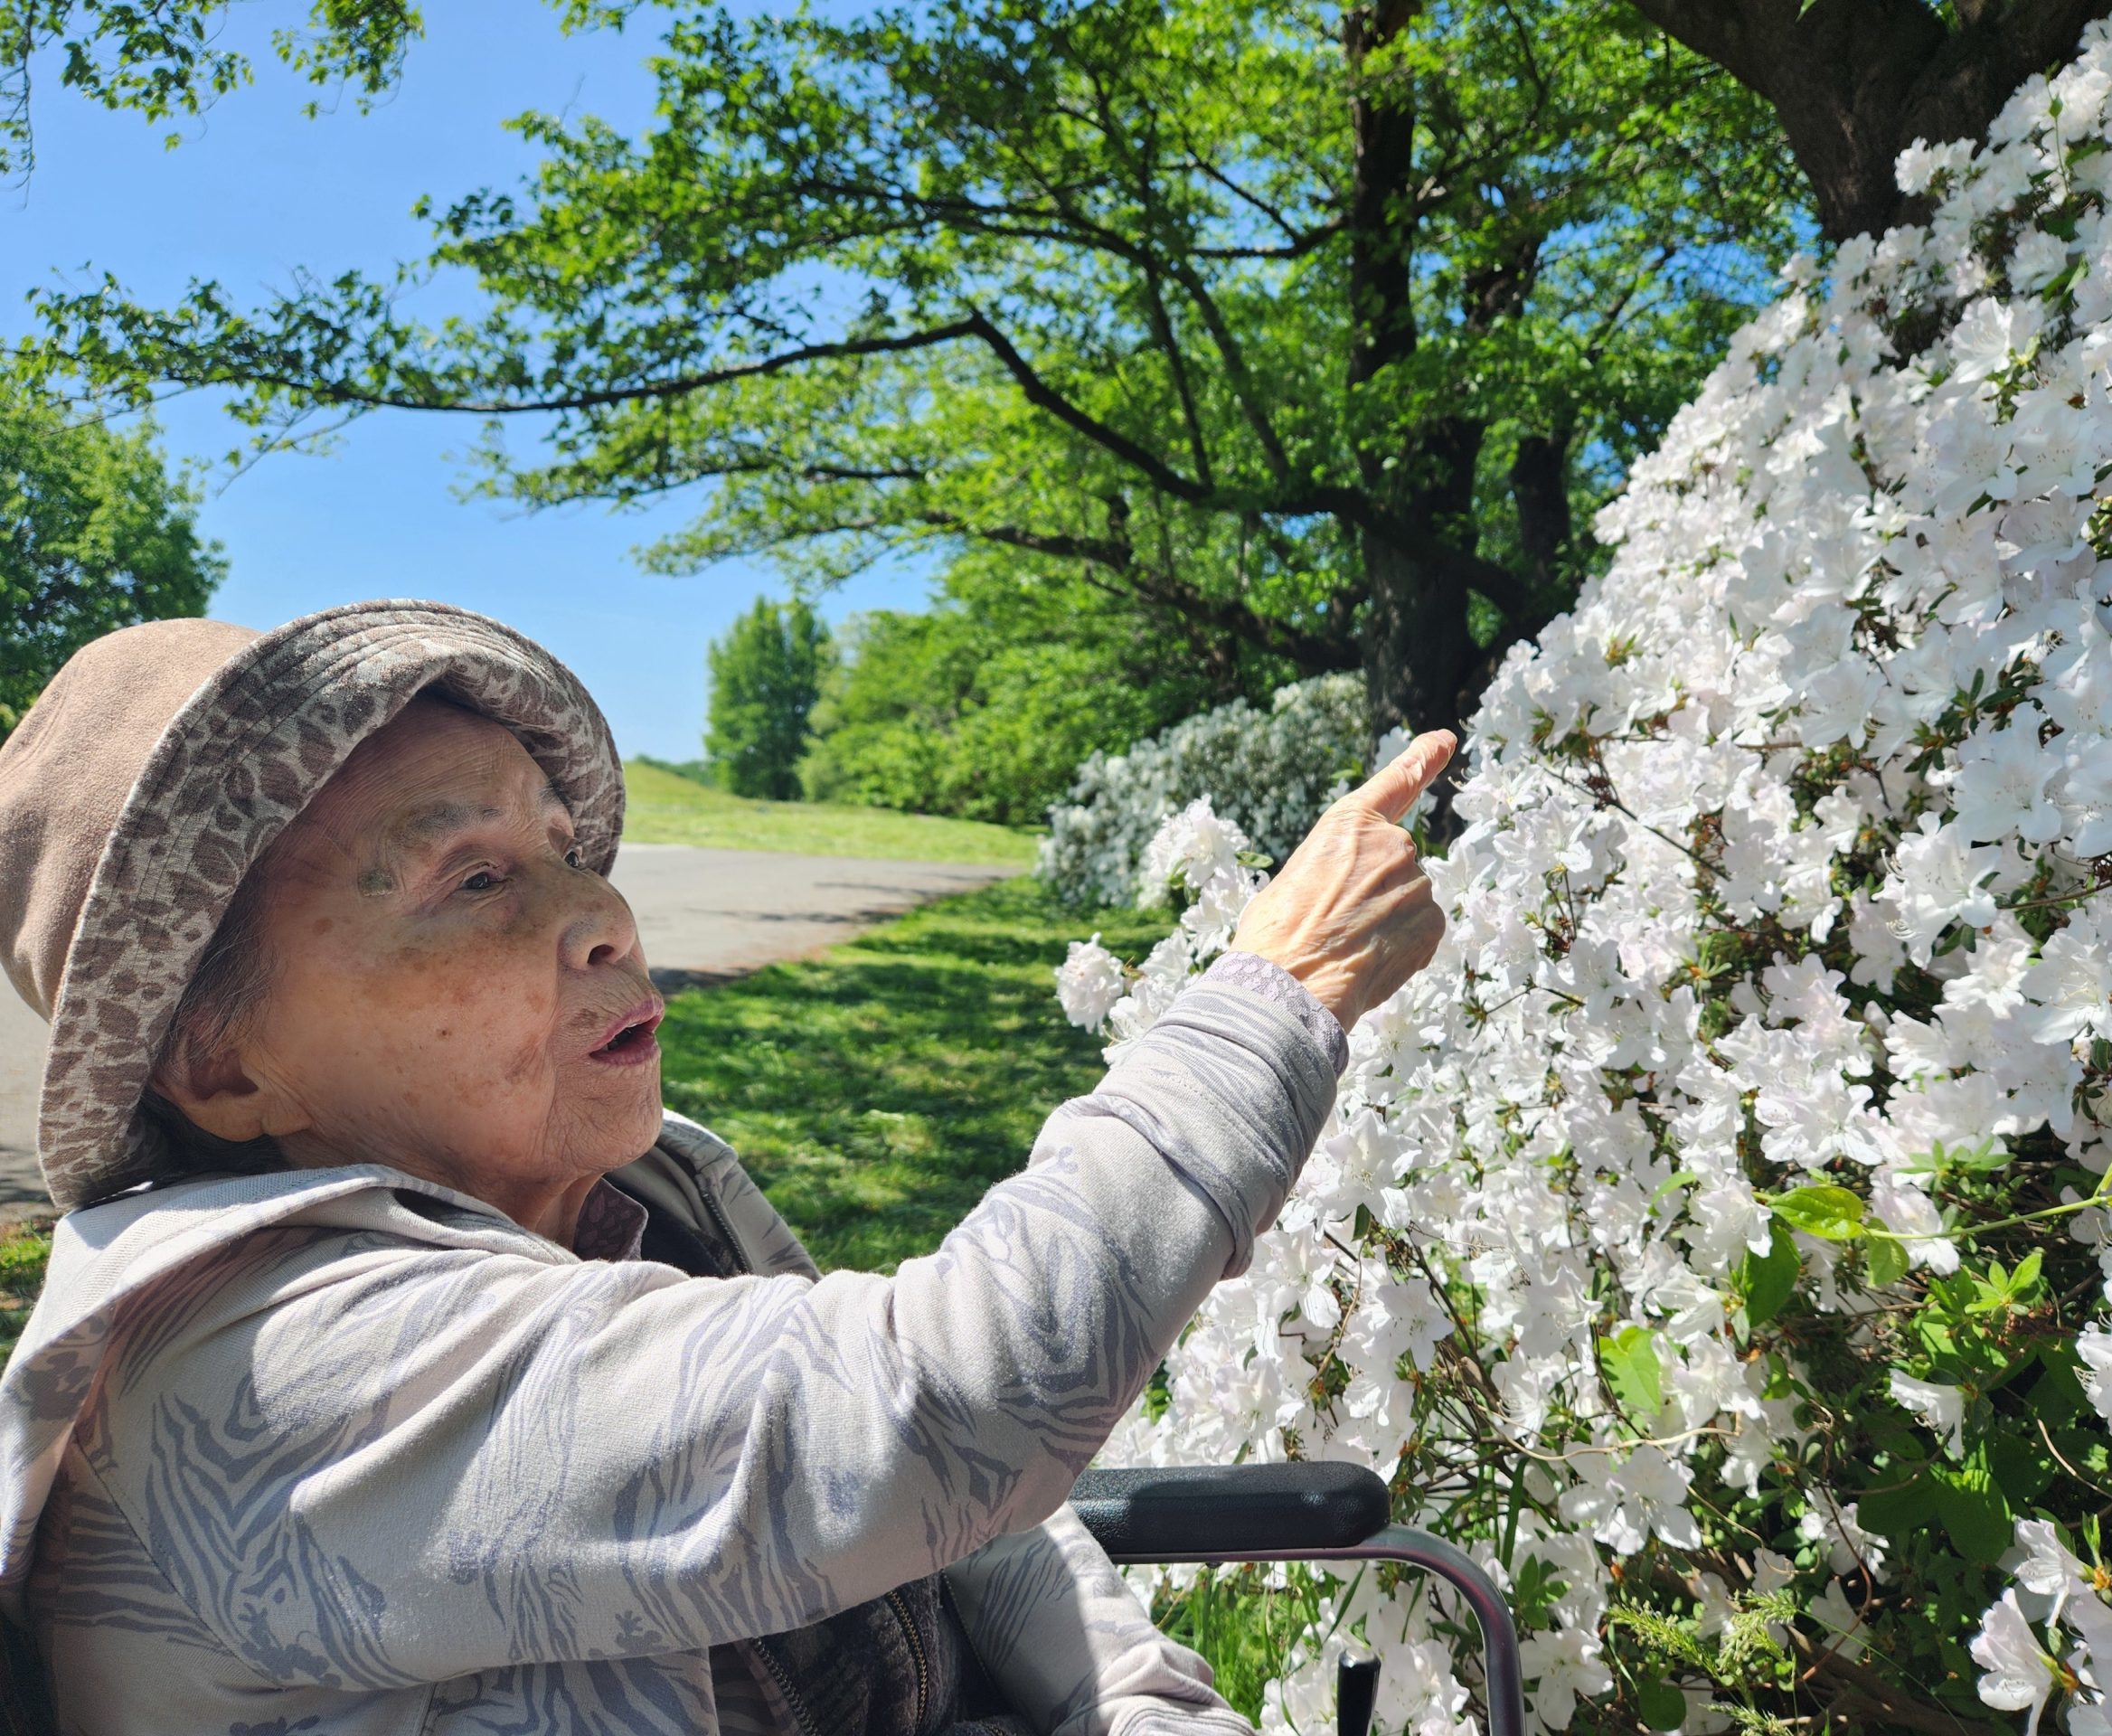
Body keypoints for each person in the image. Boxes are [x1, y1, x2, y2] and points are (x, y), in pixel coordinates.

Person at [0, 600, 1450, 1734]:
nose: (604, 912)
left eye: (563, 847)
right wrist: (1281, 986)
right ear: (226, 1071)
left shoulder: (648, 1198)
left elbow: (976, 1519)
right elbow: (939, 1412)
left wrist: (1139, 1709)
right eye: (475, 880)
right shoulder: (269, 1373)